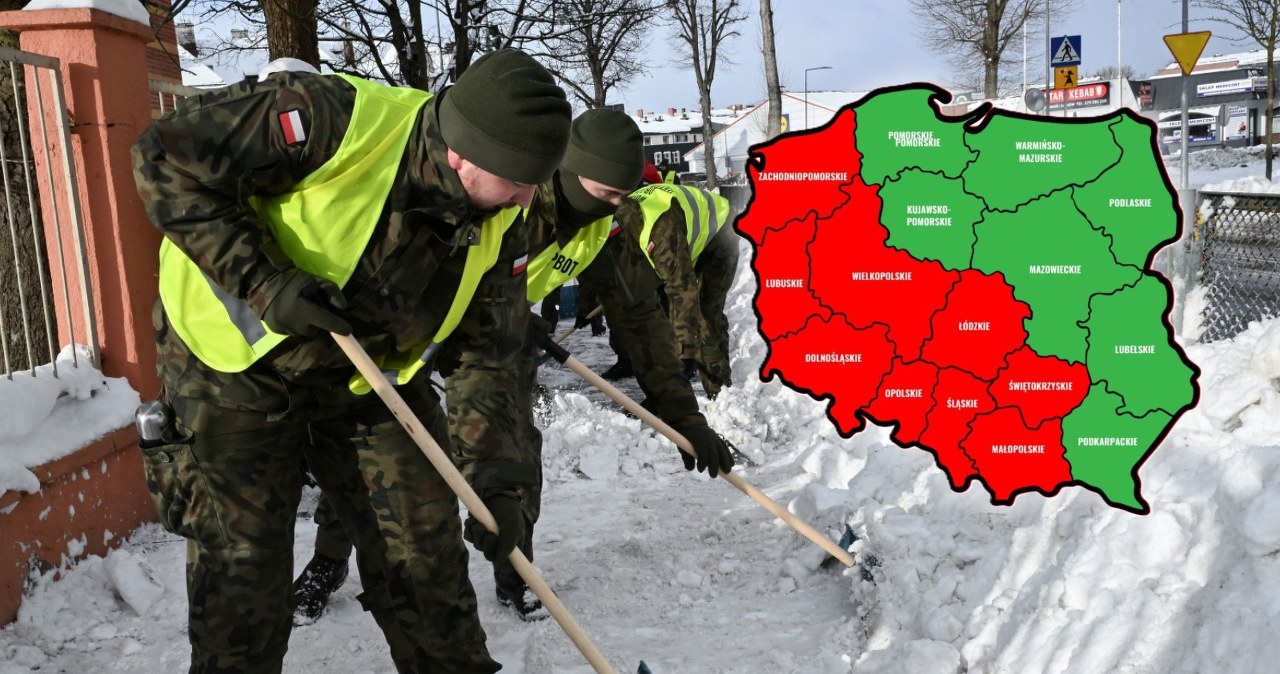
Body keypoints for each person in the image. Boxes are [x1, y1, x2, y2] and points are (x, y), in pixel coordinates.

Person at [131, 48, 571, 673]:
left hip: (366, 382)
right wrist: (266, 283)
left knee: (425, 556)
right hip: (232, 373)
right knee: (244, 578)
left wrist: (501, 486)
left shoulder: (500, 218)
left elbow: (489, 356)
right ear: (462, 153)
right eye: (519, 179)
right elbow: (165, 155)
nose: (528, 199)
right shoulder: (329, 117)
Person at [291, 108, 736, 623]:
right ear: (570, 171)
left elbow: (641, 319)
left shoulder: (605, 226)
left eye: (623, 195)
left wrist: (684, 415)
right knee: (373, 455)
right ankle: (328, 561)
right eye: (607, 193)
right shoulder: (511, 196)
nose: (616, 207)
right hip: (409, 333)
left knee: (516, 456)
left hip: (498, 345)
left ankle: (516, 570)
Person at [601, 183, 738, 398]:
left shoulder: (658, 231)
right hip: (683, 237)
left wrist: (684, 353)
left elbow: (683, 291)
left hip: (720, 234)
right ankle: (665, 393)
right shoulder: (612, 229)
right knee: (658, 313)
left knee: (704, 315)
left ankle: (720, 392)